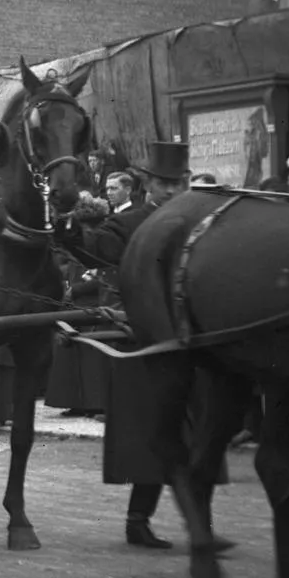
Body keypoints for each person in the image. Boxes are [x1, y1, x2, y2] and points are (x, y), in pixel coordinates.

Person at [57, 138, 188, 549]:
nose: (170, 190)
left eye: (177, 182)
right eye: (163, 183)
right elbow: (95, 249)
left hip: (192, 342)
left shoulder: (196, 221)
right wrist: (65, 223)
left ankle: (189, 521)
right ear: (148, 184)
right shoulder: (131, 224)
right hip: (144, 342)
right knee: (150, 433)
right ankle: (138, 520)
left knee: (192, 434)